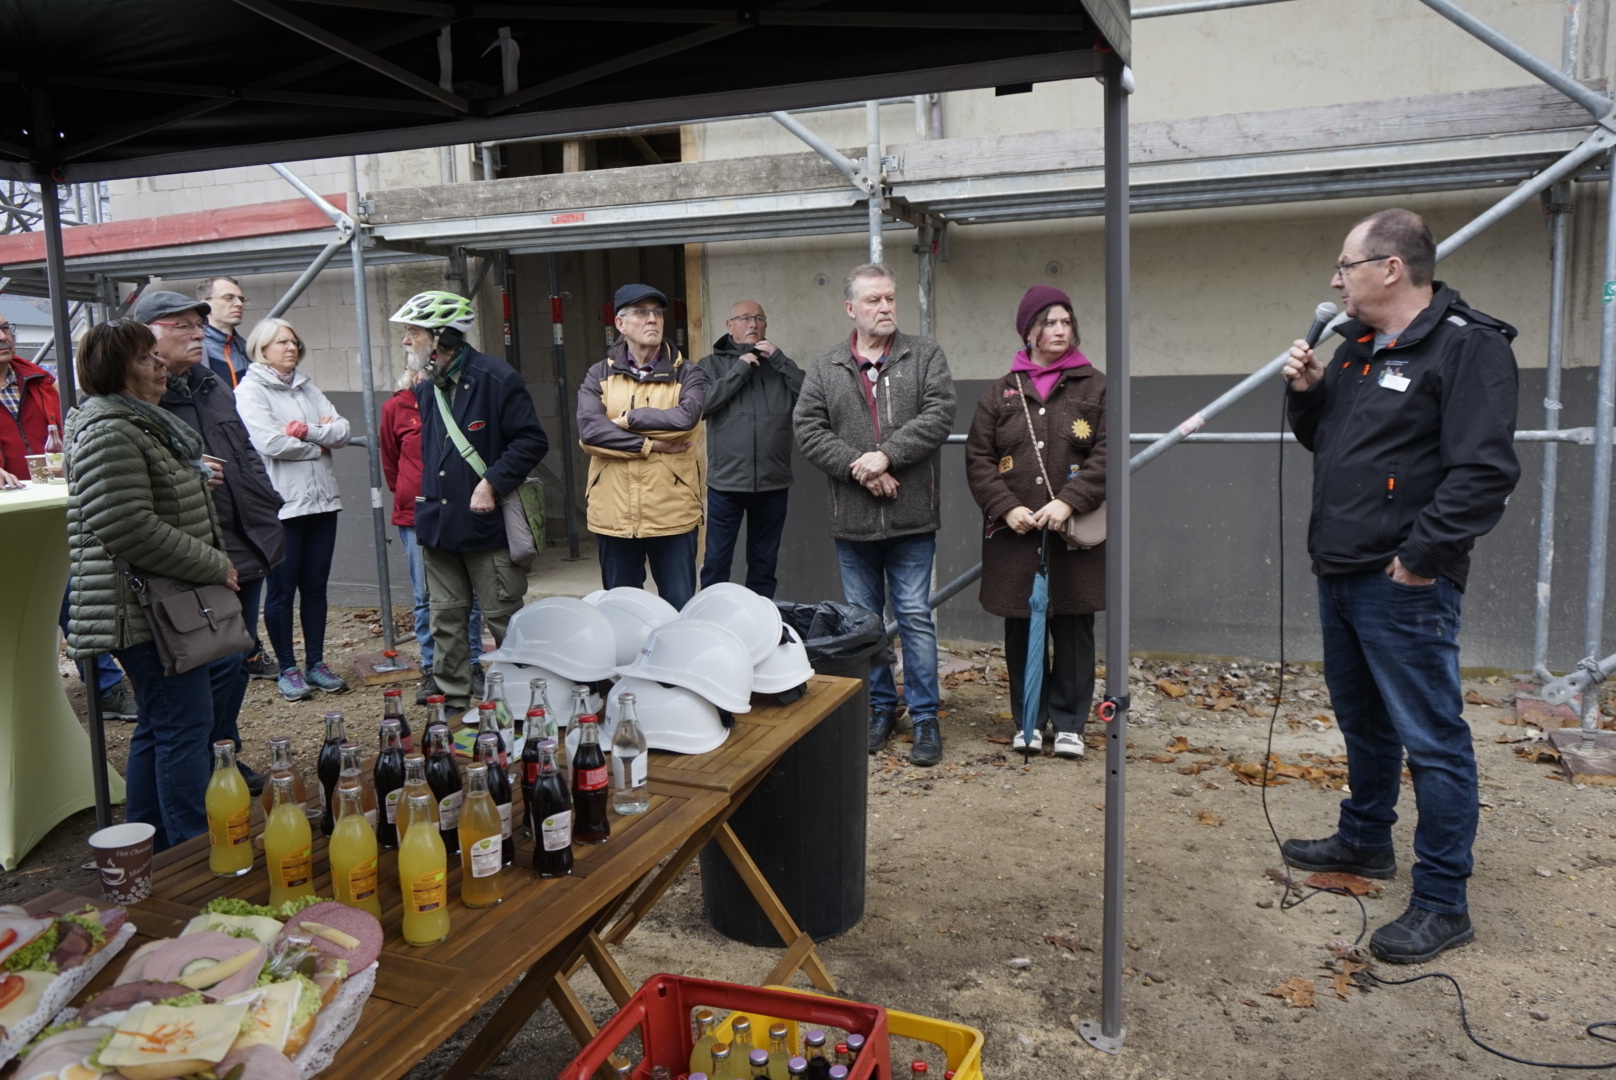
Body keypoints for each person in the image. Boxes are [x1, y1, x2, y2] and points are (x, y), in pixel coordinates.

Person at [1280, 208, 1521, 964]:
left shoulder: (1467, 347)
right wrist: (1311, 392)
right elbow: (1332, 444)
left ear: (1390, 267)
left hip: (1404, 579)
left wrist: (1420, 559)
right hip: (1343, 569)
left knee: (1433, 740)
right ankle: (1364, 839)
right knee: (1364, 722)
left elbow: (1483, 473)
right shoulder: (1352, 351)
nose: (1334, 280)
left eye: (1345, 265)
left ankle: (1444, 900)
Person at [64, 320, 238, 851]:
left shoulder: (140, 424)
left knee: (161, 725)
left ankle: (143, 842)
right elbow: (127, 526)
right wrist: (213, 564)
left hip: (156, 604)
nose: (160, 365)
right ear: (114, 371)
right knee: (184, 728)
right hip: (141, 609)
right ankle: (186, 846)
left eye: (155, 356)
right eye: (145, 359)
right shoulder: (110, 430)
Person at [794, 264, 956, 766]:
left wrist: (887, 456)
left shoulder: (923, 354)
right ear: (851, 309)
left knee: (913, 616)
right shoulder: (825, 367)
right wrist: (861, 469)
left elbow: (939, 414)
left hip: (911, 518)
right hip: (854, 521)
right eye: (873, 301)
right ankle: (879, 708)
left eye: (890, 298)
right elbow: (808, 429)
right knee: (864, 622)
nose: (885, 308)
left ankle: (925, 715)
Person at [140, 290, 284, 793]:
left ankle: (222, 757)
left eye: (198, 325)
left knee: (235, 662)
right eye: (180, 325)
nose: (197, 332)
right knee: (208, 667)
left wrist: (268, 510)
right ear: (148, 336)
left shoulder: (213, 383)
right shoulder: (145, 399)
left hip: (247, 543)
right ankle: (202, 767)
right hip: (198, 554)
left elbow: (244, 453)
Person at [965, 286, 1105, 760]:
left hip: (1072, 533)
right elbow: (979, 458)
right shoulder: (999, 392)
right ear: (1029, 331)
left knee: (1072, 626)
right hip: (1015, 535)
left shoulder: (1096, 386)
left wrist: (1069, 501)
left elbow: (1105, 454)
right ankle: (1028, 719)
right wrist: (1005, 507)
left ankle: (1069, 724)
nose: (1060, 330)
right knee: (1023, 627)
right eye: (1049, 322)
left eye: (1066, 321)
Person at [391, 291, 548, 710]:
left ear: (441, 335)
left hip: (486, 526)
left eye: (413, 332)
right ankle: (456, 702)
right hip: (439, 527)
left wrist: (491, 482)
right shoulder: (427, 390)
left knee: (502, 618)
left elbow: (532, 440)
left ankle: (528, 701)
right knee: (445, 618)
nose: (406, 341)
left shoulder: (497, 378)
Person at [236, 317, 351, 701]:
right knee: (282, 591)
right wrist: (318, 445)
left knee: (316, 588)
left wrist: (310, 433)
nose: (292, 348)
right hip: (283, 507)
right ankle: (288, 668)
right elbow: (269, 443)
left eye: (294, 341)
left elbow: (343, 431)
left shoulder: (306, 386)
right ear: (262, 348)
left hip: (322, 502)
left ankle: (316, 664)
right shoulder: (250, 390)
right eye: (282, 342)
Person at [577, 284, 707, 610]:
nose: (652, 319)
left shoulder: (688, 372)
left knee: (679, 610)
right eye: (641, 312)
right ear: (620, 324)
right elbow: (590, 432)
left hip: (672, 513)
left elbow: (686, 419)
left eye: (658, 312)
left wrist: (627, 419)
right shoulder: (598, 374)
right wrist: (652, 445)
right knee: (622, 613)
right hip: (614, 516)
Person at [381, 363, 484, 703]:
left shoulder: (460, 401)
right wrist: (414, 496)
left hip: (458, 510)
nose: (427, 376)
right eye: (420, 370)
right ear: (410, 374)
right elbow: (391, 465)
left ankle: (472, 664)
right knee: (425, 597)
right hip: (416, 516)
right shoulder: (396, 407)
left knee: (467, 594)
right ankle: (431, 668)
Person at [697, 300, 804, 597]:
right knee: (717, 563)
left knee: (763, 564)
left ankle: (761, 627)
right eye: (744, 318)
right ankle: (711, 621)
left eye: (758, 318)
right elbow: (702, 405)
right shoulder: (710, 365)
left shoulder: (779, 366)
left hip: (772, 484)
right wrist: (740, 369)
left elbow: (811, 398)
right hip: (726, 485)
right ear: (729, 325)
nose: (753, 324)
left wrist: (780, 359)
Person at [198, 276, 249, 387]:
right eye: (229, 297)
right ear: (206, 305)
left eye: (241, 299)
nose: (239, 304)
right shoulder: (192, 349)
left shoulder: (248, 350)